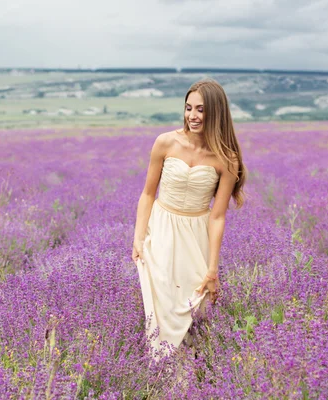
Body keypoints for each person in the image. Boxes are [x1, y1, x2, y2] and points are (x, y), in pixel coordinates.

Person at [132, 78, 247, 359]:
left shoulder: (226, 159)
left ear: (216, 113)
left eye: (201, 110)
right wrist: (138, 238)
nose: (192, 116)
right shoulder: (165, 142)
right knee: (162, 307)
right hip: (160, 231)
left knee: (196, 308)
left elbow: (218, 216)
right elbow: (148, 194)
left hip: (196, 236)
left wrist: (213, 268)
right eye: (188, 108)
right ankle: (162, 377)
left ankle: (195, 378)